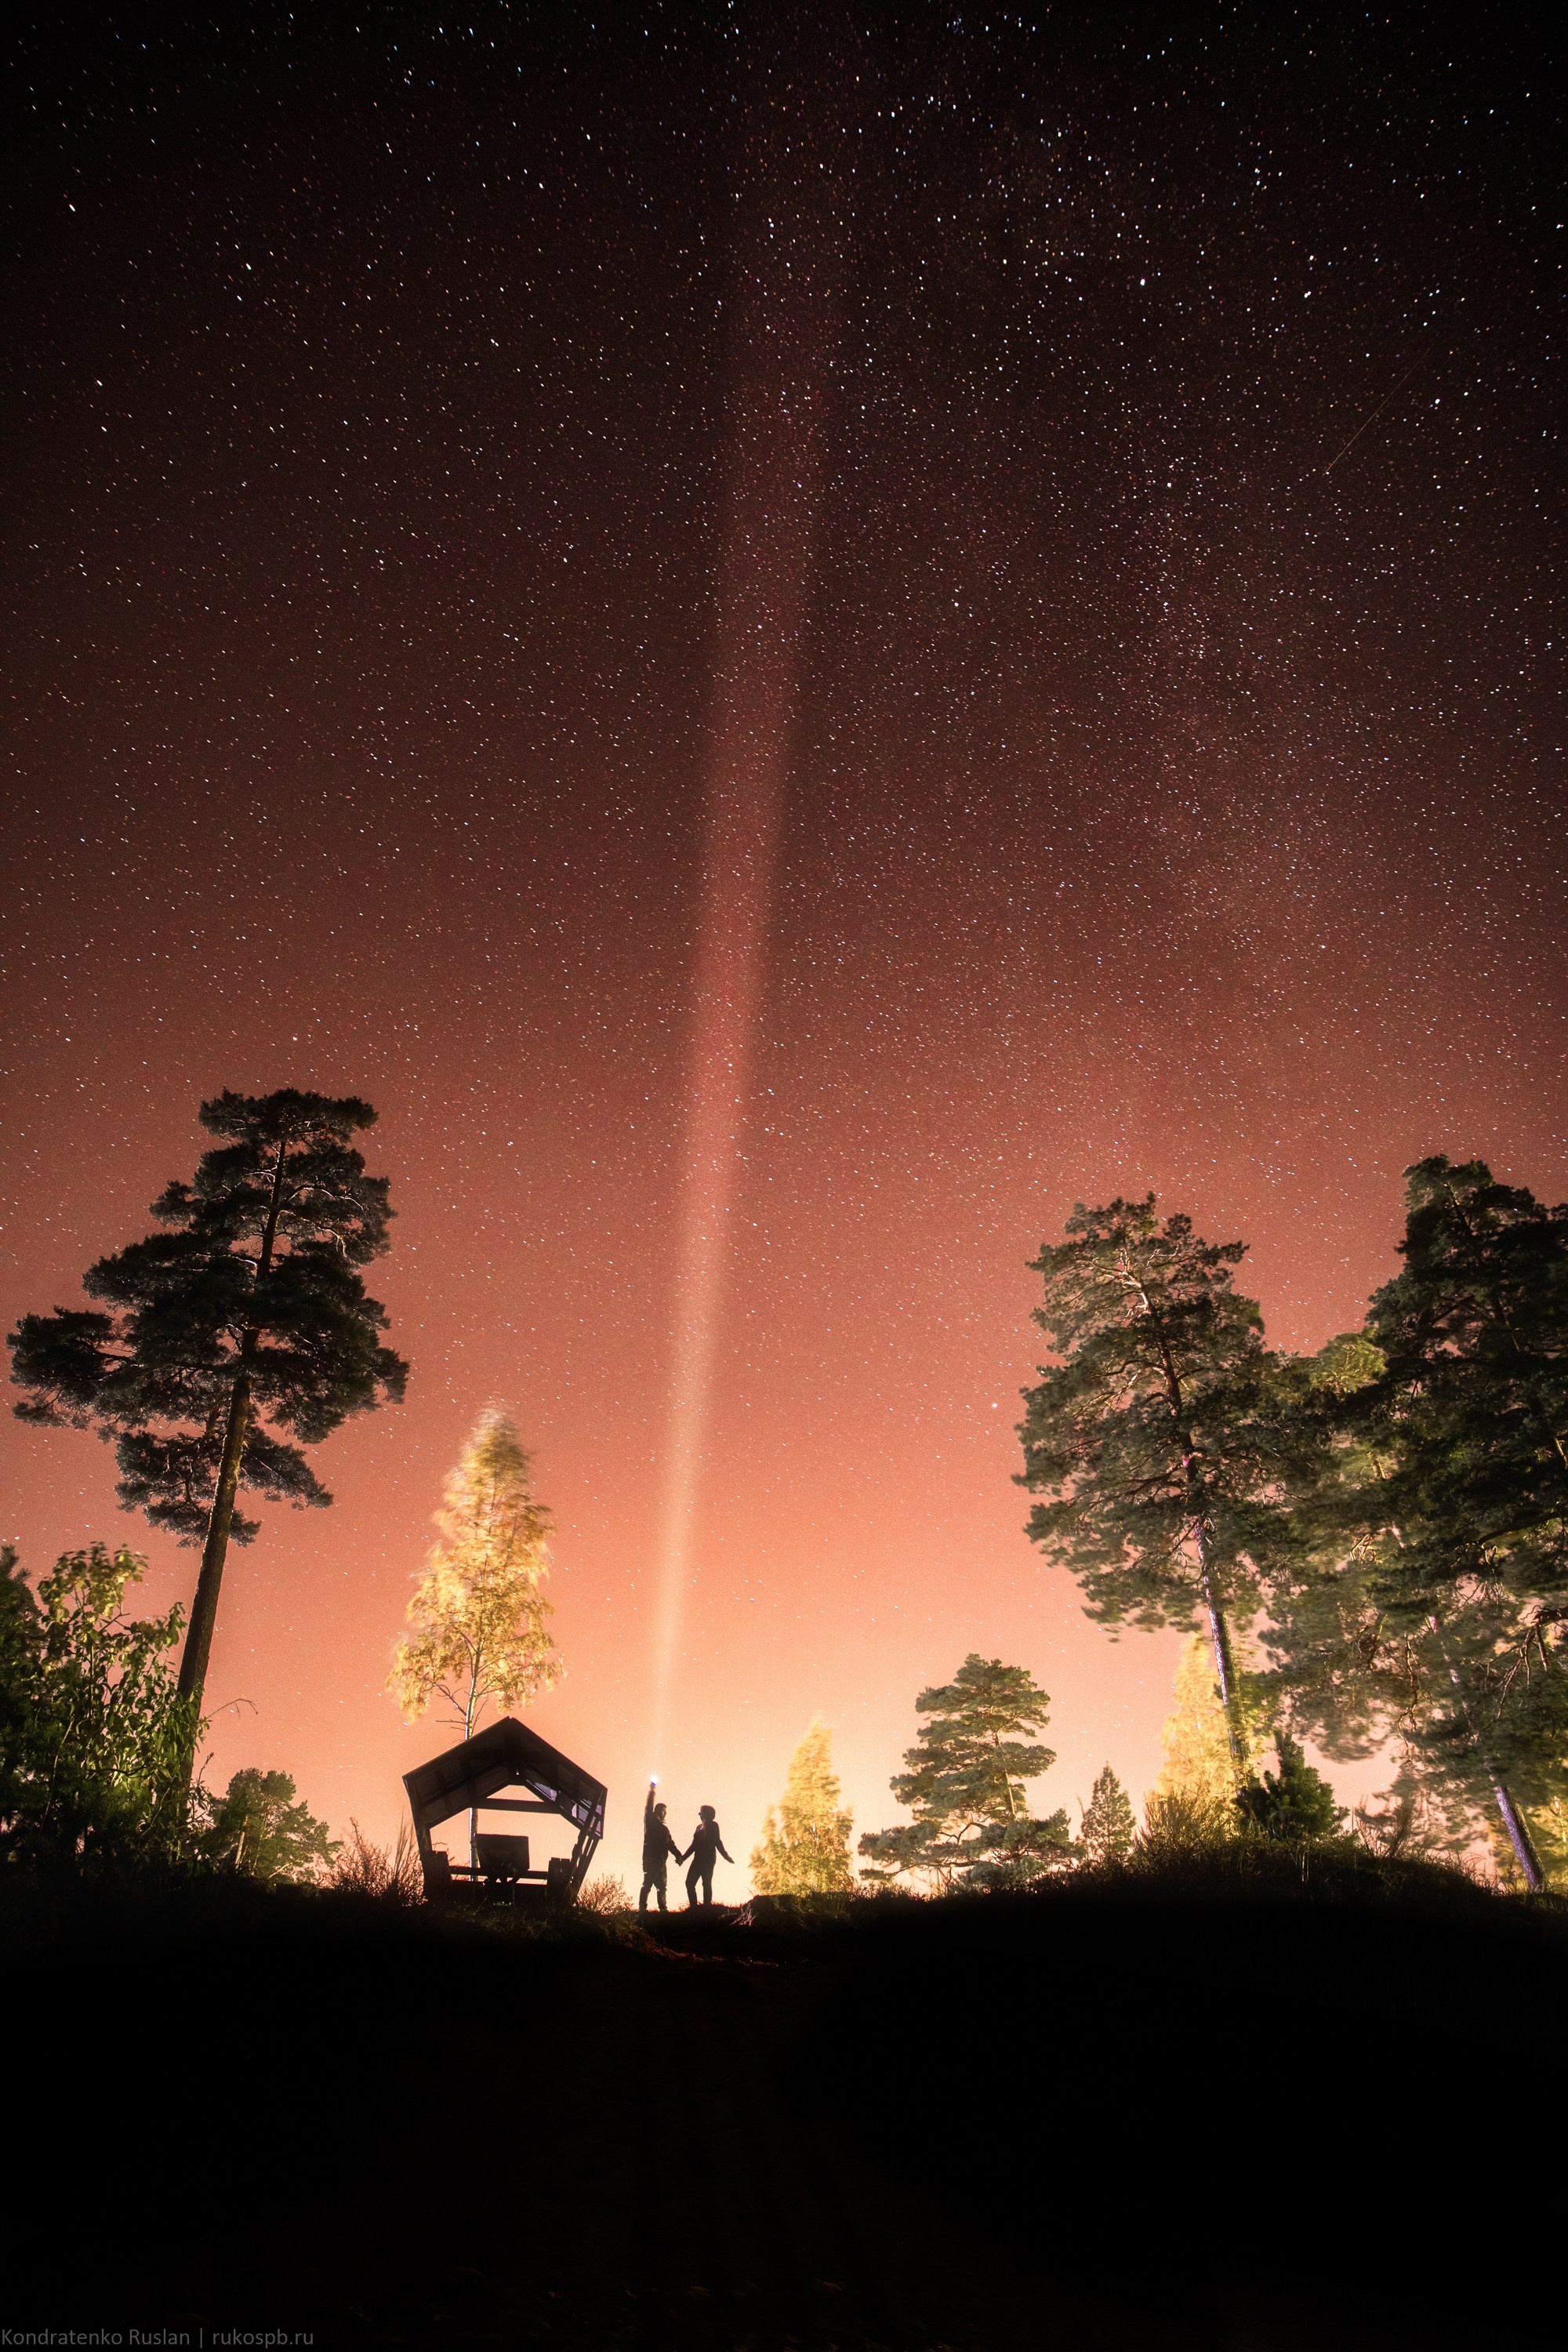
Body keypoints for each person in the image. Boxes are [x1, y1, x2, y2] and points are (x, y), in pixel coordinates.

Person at [639, 1782, 681, 1915]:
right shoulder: (650, 1821)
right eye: (664, 1812)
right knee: (648, 1884)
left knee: (662, 1887)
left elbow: (670, 1844)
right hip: (652, 1859)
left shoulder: (664, 1829)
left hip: (661, 1861)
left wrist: (678, 1855)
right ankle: (642, 1909)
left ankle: (663, 1909)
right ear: (658, 1811)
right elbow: (648, 1807)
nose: (665, 1815)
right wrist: (652, 1791)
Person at [682, 1805, 733, 1907]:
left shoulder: (714, 1825)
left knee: (706, 1882)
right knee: (689, 1883)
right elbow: (693, 1846)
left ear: (707, 1814)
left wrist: (725, 1856)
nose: (699, 1814)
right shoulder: (698, 1828)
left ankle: (707, 1906)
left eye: (701, 1812)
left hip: (709, 1859)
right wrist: (683, 1858)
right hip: (697, 1859)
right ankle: (694, 1908)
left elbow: (718, 1842)